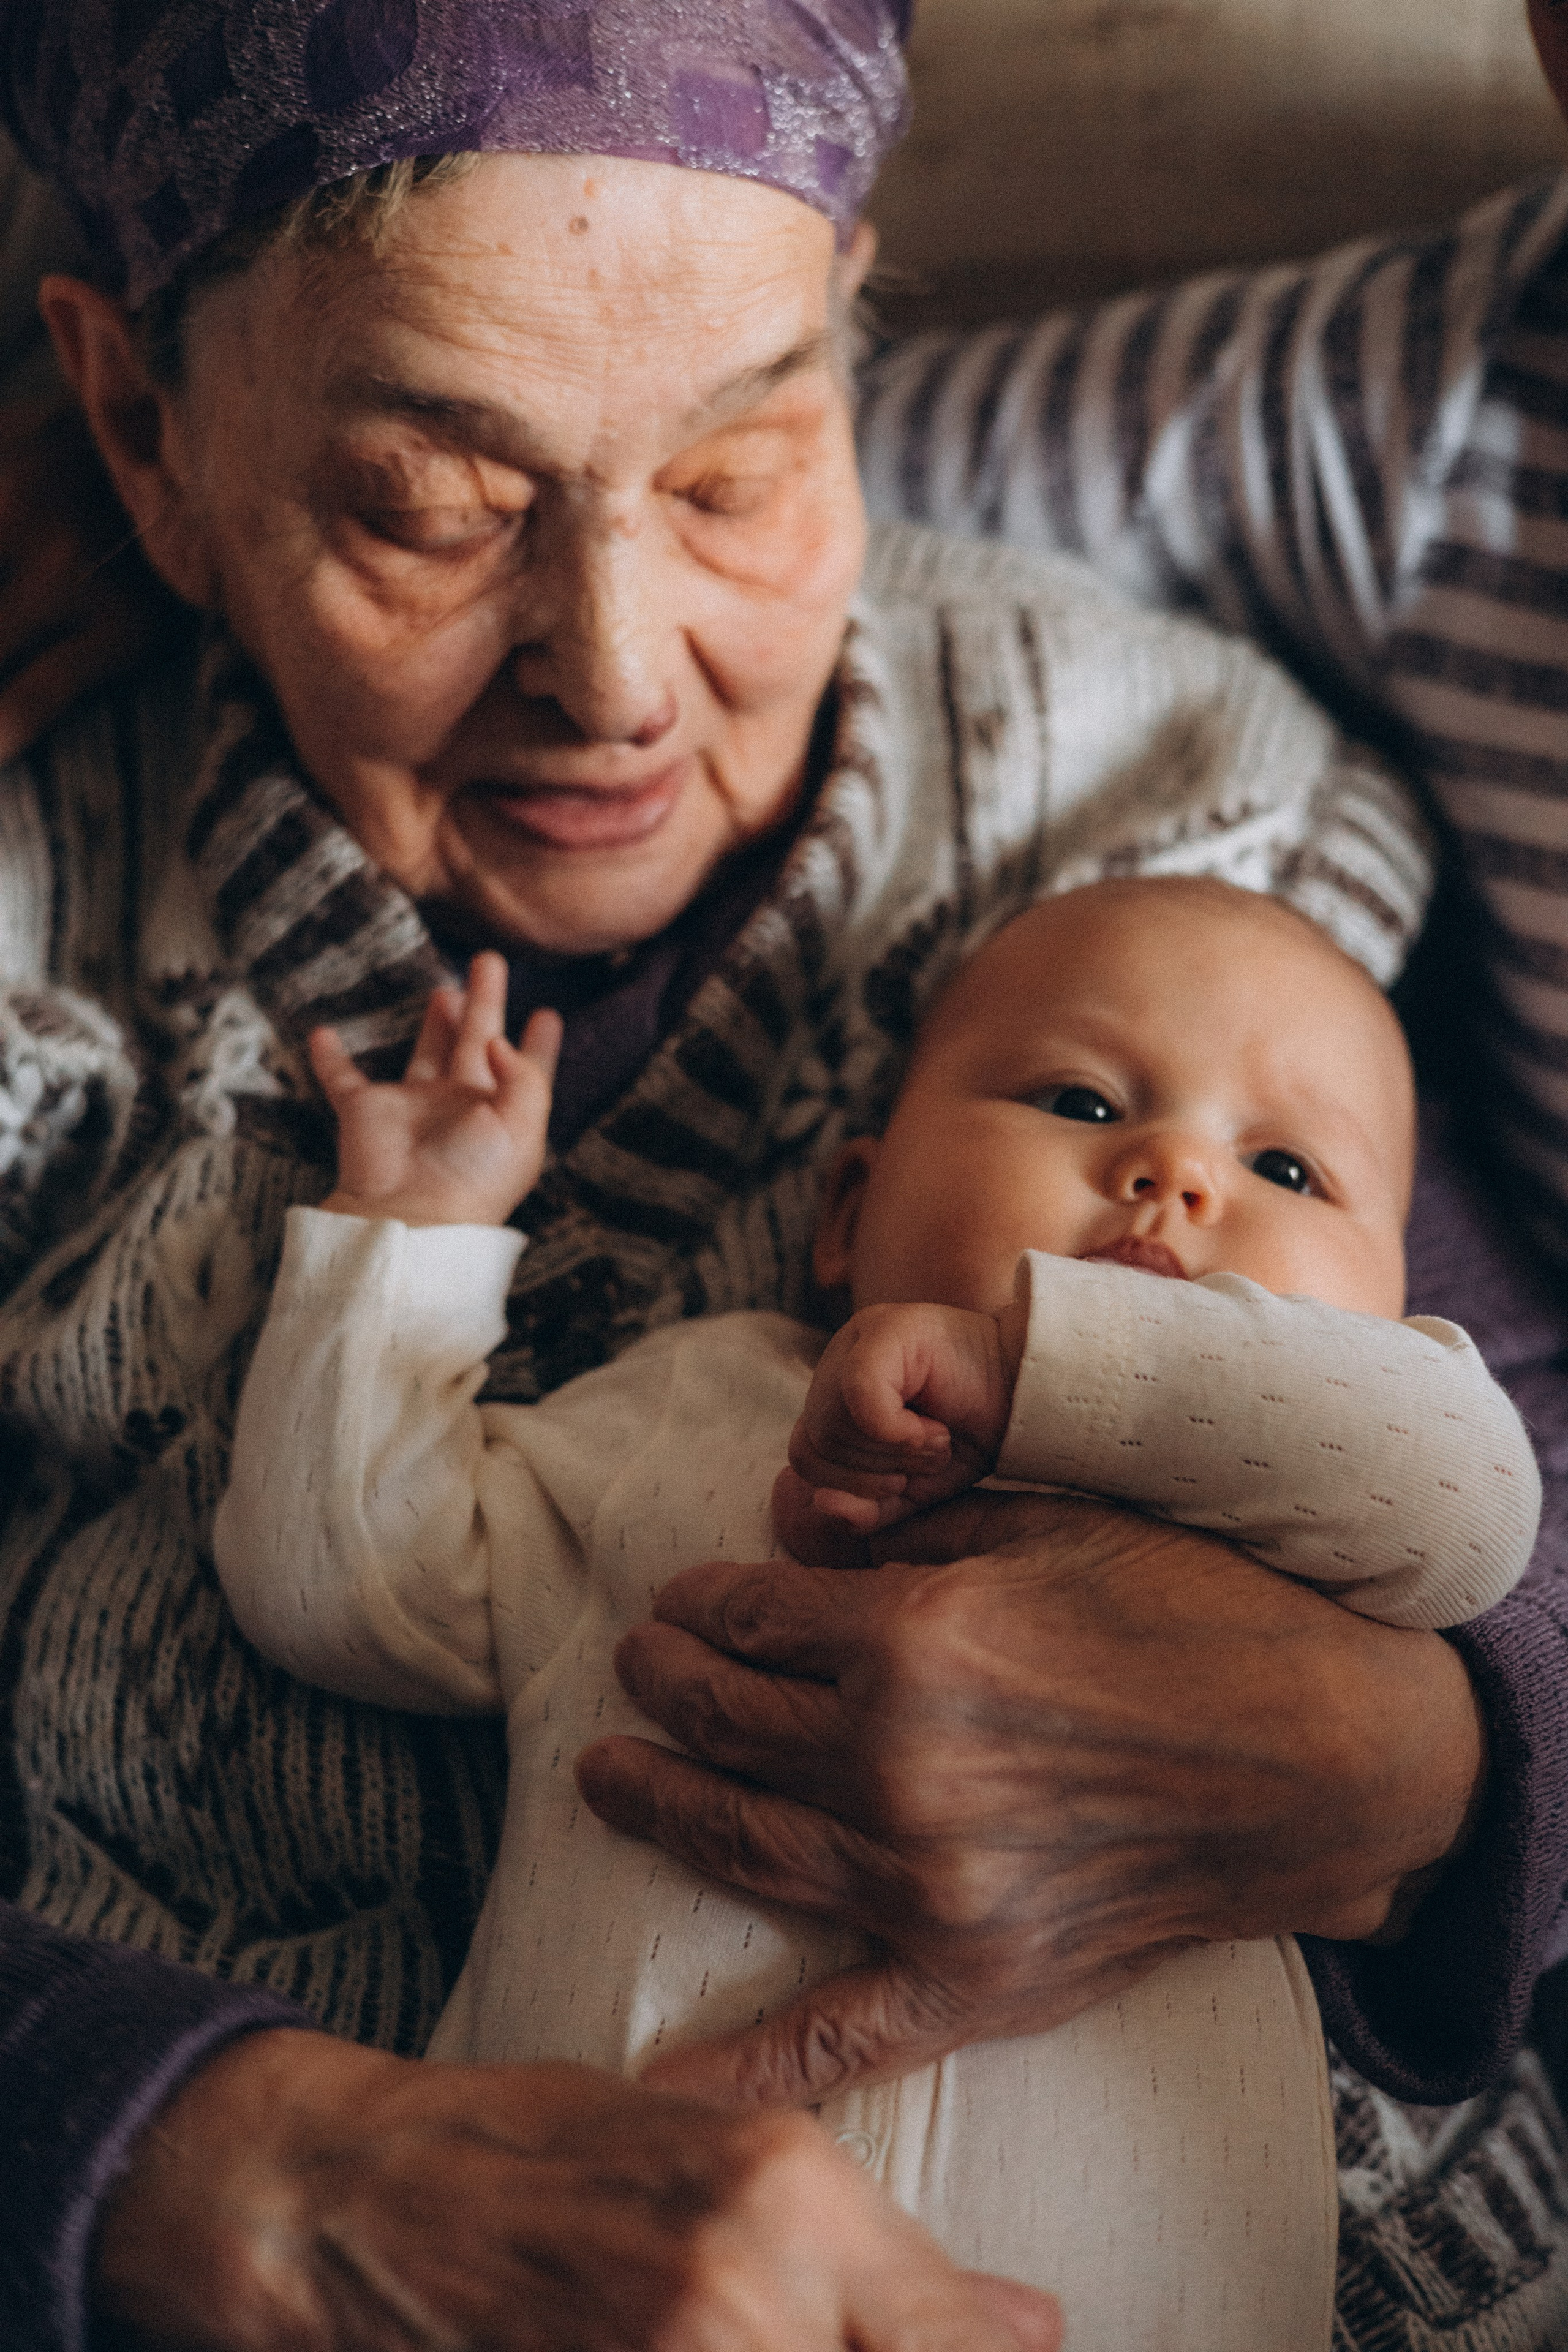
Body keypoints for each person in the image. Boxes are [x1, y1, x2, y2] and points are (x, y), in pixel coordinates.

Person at [0, 3, 1536, 2348]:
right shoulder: (44, 924)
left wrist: (1435, 1762)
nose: (617, 677)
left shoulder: (1179, 816)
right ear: (138, 422)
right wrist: (233, 2165)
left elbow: (1505, 1453)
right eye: (428, 502)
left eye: (740, 468)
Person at [212, 876, 1539, 2352]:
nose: (1171, 1173)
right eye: (1080, 1101)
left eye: (1287, 1173)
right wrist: (406, 1239)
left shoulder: (1312, 1540)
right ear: (848, 1210)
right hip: (621, 2278)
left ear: (1394, 1321)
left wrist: (1055, 1367)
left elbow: (1469, 1499)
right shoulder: (692, 1409)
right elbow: (346, 1585)